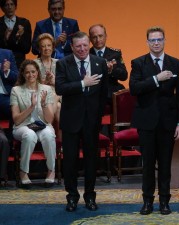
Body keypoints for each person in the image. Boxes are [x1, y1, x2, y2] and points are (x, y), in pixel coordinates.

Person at [129, 26, 179, 215]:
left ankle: (164, 201)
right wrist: (156, 78)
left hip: (168, 123)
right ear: (147, 42)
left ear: (164, 41)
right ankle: (147, 202)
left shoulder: (176, 63)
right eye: (152, 40)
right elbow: (134, 88)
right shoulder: (138, 63)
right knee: (147, 165)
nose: (156, 43)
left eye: (159, 40)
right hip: (146, 122)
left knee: (165, 164)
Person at [55, 31, 108, 212]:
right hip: (71, 121)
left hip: (92, 121)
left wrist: (98, 117)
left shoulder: (99, 63)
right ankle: (72, 197)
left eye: (85, 45)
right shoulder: (63, 63)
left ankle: (90, 196)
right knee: (70, 161)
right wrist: (82, 83)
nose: (82, 49)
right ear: (72, 47)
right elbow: (60, 88)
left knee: (91, 161)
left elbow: (103, 94)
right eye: (78, 46)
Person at [10, 59, 56, 188]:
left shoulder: (47, 89)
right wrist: (31, 107)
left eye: (33, 72)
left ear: (37, 73)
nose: (31, 75)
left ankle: (51, 171)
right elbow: (16, 119)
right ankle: (23, 172)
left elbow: (49, 120)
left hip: (43, 125)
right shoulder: (16, 90)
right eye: (27, 72)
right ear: (23, 74)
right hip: (22, 126)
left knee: (48, 134)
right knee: (30, 135)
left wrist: (43, 105)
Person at [89, 24, 128, 104]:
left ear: (106, 36)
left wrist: (112, 70)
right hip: (93, 91)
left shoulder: (115, 54)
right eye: (94, 37)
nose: (98, 39)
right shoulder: (86, 55)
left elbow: (124, 76)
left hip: (111, 90)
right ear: (90, 39)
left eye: (100, 36)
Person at [34, 33, 61, 141]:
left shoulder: (59, 63)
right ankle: (60, 143)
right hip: (41, 95)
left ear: (53, 47)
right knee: (58, 107)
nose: (46, 48)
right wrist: (45, 82)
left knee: (56, 95)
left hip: (58, 93)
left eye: (49, 45)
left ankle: (45, 124)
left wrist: (54, 82)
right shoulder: (34, 64)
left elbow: (64, 84)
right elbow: (30, 85)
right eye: (43, 46)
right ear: (39, 49)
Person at [0, 0, 32, 68]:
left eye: (12, 4)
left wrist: (18, 38)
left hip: (19, 64)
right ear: (2, 8)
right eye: (7, 5)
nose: (10, 7)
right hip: (2, 62)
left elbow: (27, 49)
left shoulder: (25, 23)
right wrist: (5, 38)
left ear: (16, 7)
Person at [0, 48, 18, 120]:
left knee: (15, 105)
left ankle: (11, 130)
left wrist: (8, 71)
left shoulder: (7, 53)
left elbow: (17, 77)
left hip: (5, 95)